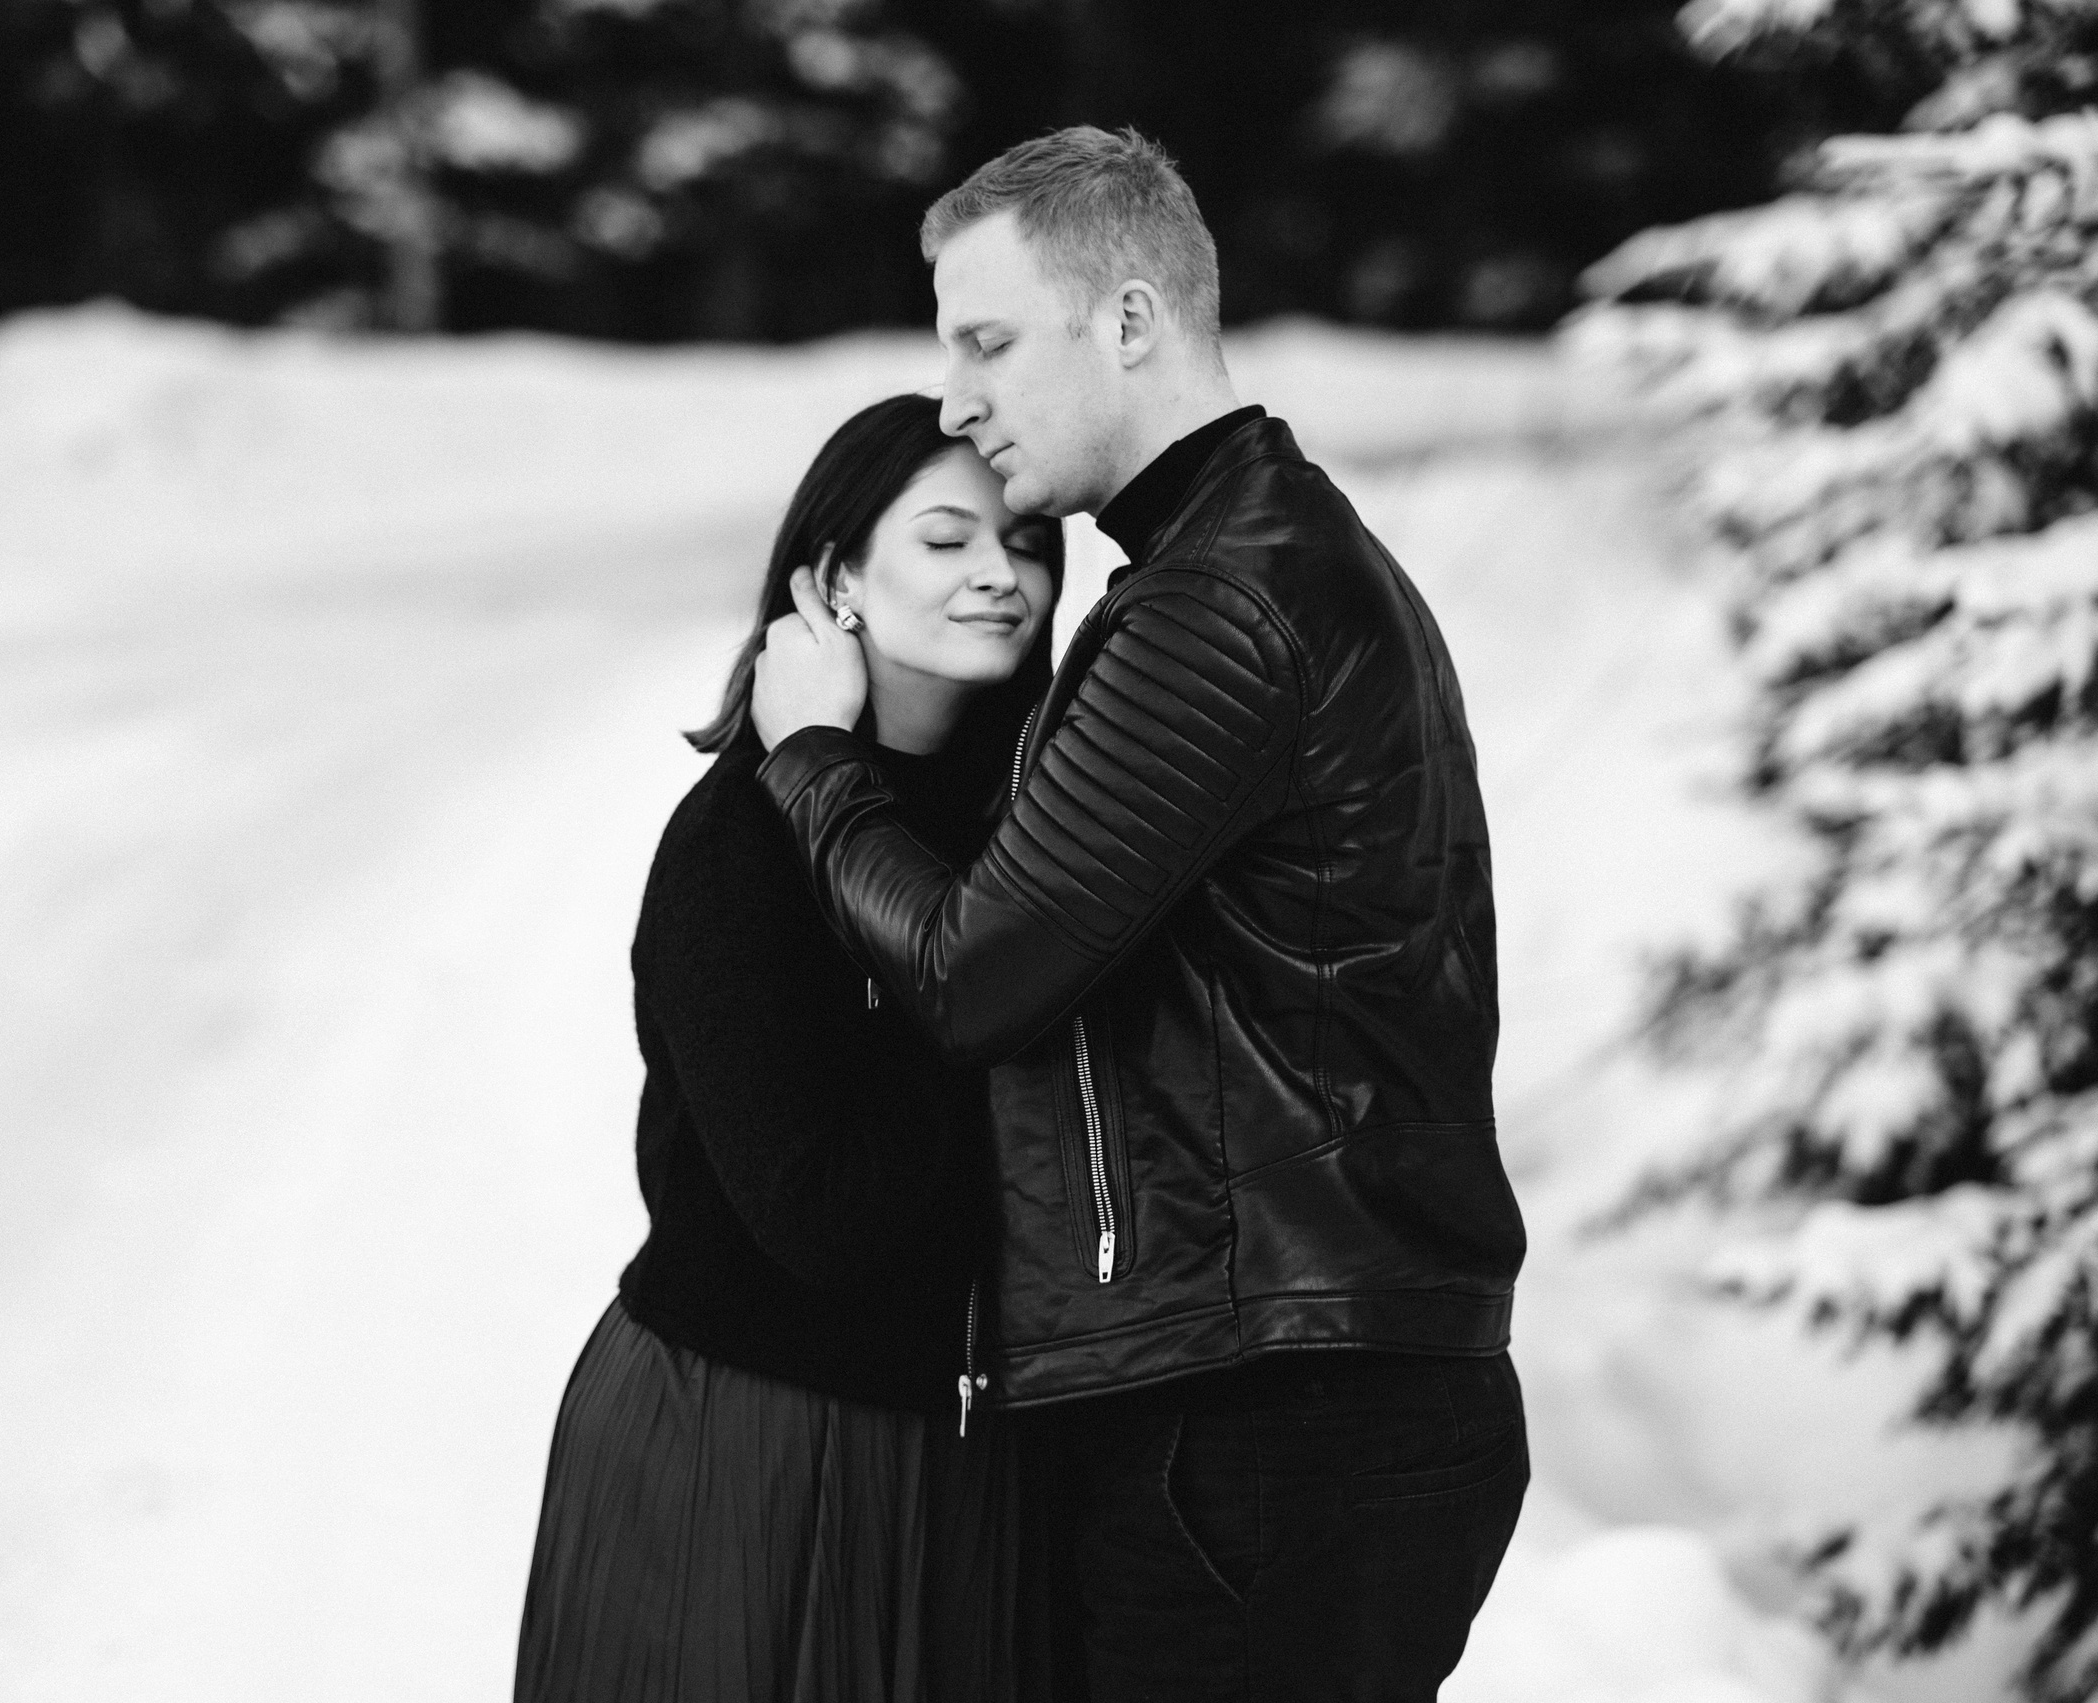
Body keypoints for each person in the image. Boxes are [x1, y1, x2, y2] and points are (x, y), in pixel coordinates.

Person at [749, 127, 1531, 1701]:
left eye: (988, 340)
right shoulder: (1261, 562)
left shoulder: (1222, 602)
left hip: (1268, 1414)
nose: (958, 395)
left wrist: (818, 763)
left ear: (1128, 321)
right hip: (1299, 1397)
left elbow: (977, 975)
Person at [514, 393, 1064, 1703]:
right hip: (756, 1445)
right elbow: (827, 1215)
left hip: (978, 1458)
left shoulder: (1041, 831)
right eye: (945, 540)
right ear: (833, 583)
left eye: (1031, 542)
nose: (1002, 573)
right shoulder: (740, 849)